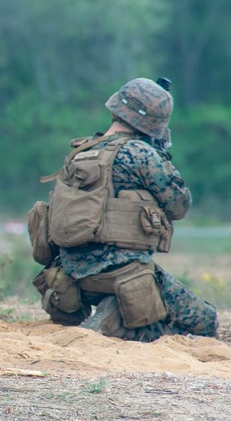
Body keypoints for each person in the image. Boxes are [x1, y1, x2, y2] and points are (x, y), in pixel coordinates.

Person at [30, 77, 217, 342]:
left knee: (151, 309)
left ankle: (114, 313)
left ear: (115, 109)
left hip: (69, 274)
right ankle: (118, 322)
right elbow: (179, 205)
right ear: (156, 122)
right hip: (122, 273)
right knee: (206, 322)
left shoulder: (81, 152)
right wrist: (161, 153)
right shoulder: (141, 154)